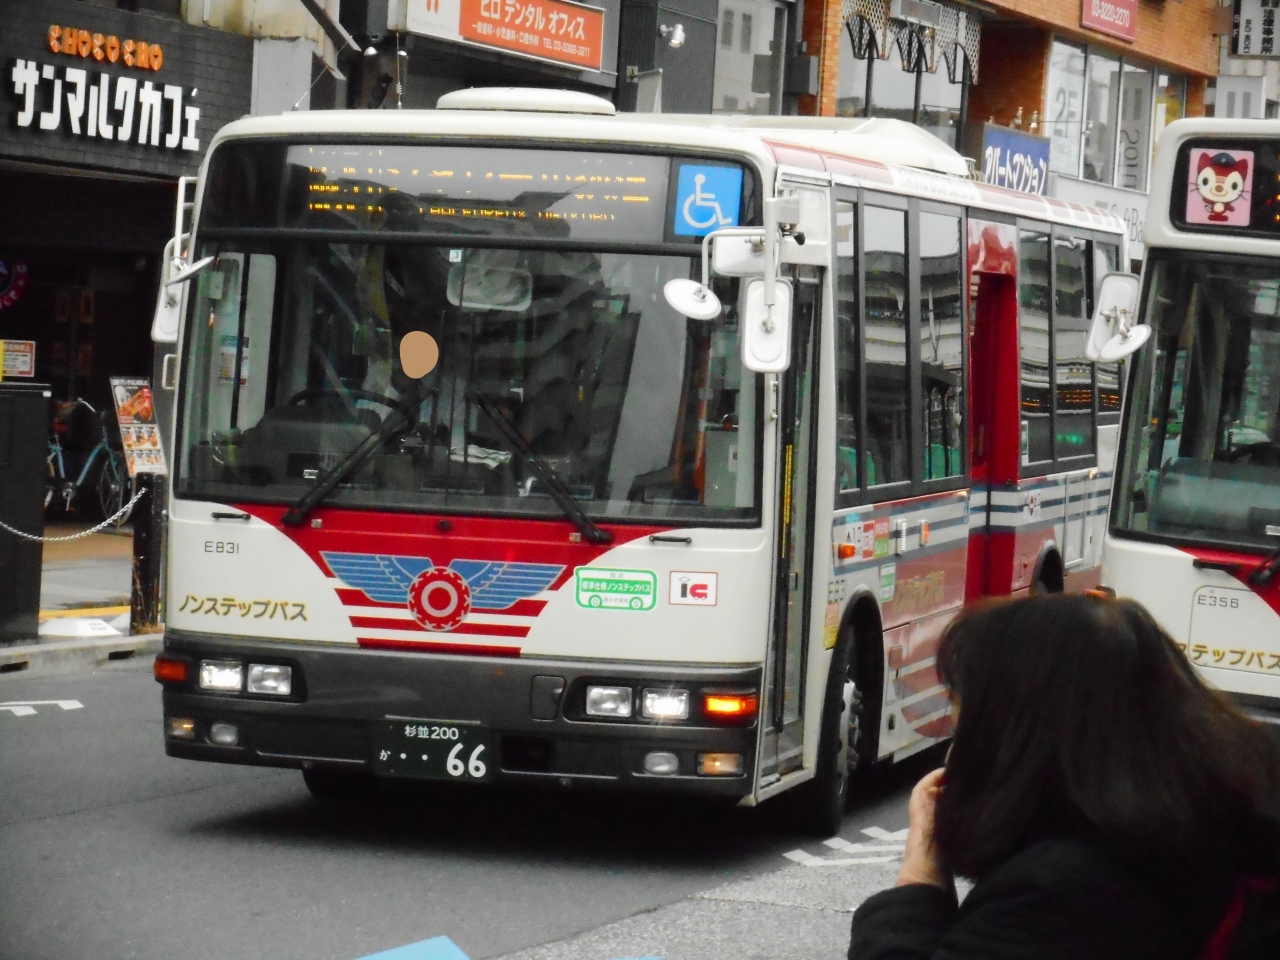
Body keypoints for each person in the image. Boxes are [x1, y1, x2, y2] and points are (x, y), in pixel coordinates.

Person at [848, 594, 1280, 960]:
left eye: (967, 724)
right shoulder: (1203, 828)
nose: (959, 749)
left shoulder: (1060, 896)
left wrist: (918, 882)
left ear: (1019, 738)